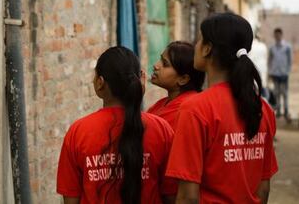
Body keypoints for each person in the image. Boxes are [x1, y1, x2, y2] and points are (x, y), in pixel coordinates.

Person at [166, 13, 278, 203]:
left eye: (200, 39)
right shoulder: (262, 109)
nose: (196, 45)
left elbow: (188, 197)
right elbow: (263, 189)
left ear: (207, 48)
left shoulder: (195, 109)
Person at [56, 46, 175, 204]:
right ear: (141, 80)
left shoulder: (78, 132)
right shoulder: (162, 130)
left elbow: (71, 200)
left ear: (100, 83)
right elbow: (172, 195)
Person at [147, 41, 205, 129]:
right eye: (160, 59)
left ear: (183, 79)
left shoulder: (187, 109)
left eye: (165, 64)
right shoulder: (162, 104)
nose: (156, 65)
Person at [268, 27, 293, 122]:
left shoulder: (287, 47)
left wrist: (287, 71)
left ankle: (286, 111)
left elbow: (290, 60)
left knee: (285, 93)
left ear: (281, 35)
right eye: (276, 35)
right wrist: (270, 71)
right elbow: (270, 60)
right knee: (276, 93)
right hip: (275, 73)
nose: (277, 36)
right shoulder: (272, 48)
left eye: (279, 34)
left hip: (284, 74)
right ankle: (278, 111)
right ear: (274, 35)